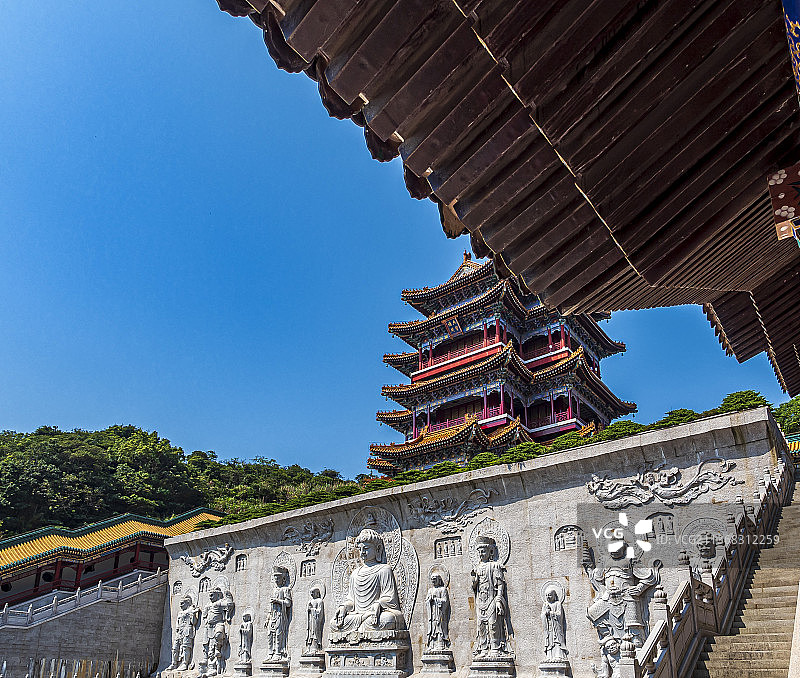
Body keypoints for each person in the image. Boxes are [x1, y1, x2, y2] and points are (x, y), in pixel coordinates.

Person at [330, 528, 404, 638]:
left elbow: (390, 597)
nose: (362, 553)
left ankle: (364, 625)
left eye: (366, 548)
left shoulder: (384, 569)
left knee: (388, 619)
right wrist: (344, 607)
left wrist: (378, 604)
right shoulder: (355, 573)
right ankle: (361, 626)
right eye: (360, 549)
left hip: (375, 615)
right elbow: (351, 601)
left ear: (378, 549)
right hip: (358, 616)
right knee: (333, 623)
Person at [471, 535, 509, 657]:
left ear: (490, 551)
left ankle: (495, 647)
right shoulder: (477, 567)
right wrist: (475, 579)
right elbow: (474, 587)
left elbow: (500, 584)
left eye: (483, 551)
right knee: (481, 625)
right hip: (480, 600)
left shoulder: (494, 566)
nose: (481, 554)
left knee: (493, 623)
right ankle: (483, 648)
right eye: (479, 552)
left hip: (492, 598)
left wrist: (498, 599)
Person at [265, 566, 292, 660]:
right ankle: (270, 653)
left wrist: (278, 601)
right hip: (273, 615)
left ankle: (278, 652)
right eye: (275, 577)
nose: (276, 579)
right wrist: (268, 617)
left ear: (283, 578)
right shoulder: (274, 590)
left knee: (278, 633)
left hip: (280, 614)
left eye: (278, 577)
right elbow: (270, 606)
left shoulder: (285, 590)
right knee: (269, 634)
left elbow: (288, 603)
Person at [168, 594, 199, 670]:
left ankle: (185, 663)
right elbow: (177, 623)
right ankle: (174, 663)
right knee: (175, 648)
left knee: (186, 647)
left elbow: (194, 622)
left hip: (187, 630)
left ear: (187, 603)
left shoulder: (191, 610)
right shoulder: (180, 613)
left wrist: (193, 614)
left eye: (182, 603)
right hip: (179, 632)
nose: (181, 605)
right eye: (180, 603)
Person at [425, 573, 450, 651]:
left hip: (439, 612)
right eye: (432, 579)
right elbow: (426, 602)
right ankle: (432, 645)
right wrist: (429, 600)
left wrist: (436, 599)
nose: (433, 581)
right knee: (432, 628)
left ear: (439, 580)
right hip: (432, 613)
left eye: (435, 579)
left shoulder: (443, 589)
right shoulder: (430, 590)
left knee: (439, 628)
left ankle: (440, 644)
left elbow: (445, 601)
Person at [541, 586, 567, 661]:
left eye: (549, 595)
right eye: (546, 595)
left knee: (557, 641)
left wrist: (551, 613)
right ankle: (549, 656)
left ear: (554, 595)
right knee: (549, 641)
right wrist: (545, 613)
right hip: (549, 627)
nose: (548, 597)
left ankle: (558, 656)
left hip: (556, 627)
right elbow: (542, 615)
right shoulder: (545, 605)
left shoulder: (558, 603)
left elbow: (559, 615)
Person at [305, 586, 325, 654]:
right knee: (310, 634)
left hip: (316, 620)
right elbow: (307, 611)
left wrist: (312, 609)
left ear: (317, 593)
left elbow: (320, 612)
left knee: (315, 633)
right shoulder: (310, 601)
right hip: (311, 620)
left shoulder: (319, 601)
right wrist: (308, 609)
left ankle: (315, 648)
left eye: (313, 592)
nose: (311, 594)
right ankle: (309, 648)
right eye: (311, 592)